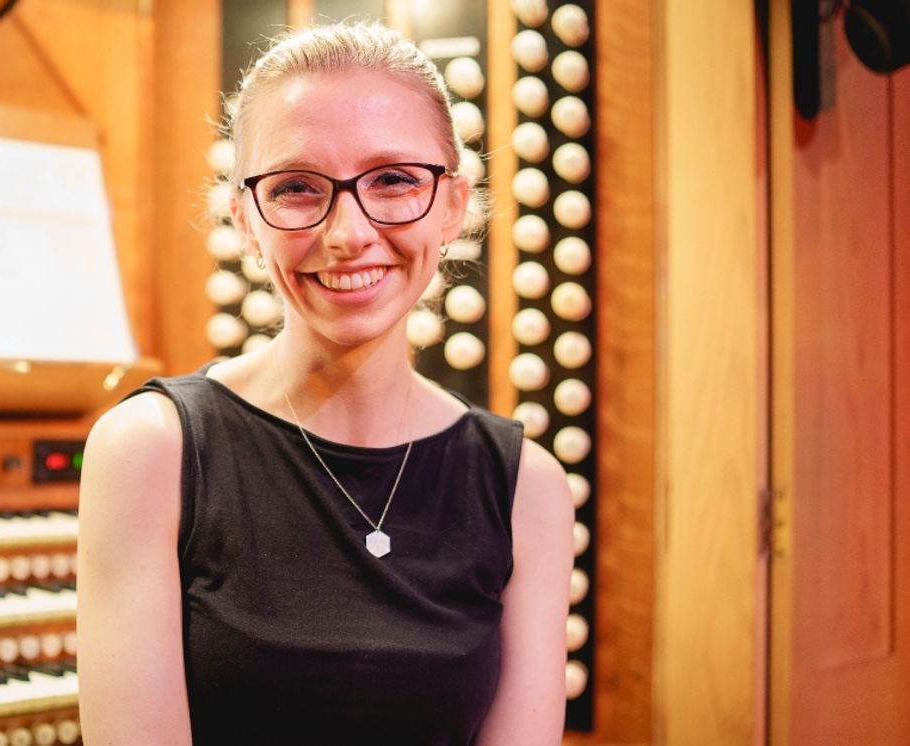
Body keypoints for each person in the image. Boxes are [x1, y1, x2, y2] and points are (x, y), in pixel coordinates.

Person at [77, 21, 574, 745]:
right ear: (246, 219)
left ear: (453, 205)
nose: (348, 233)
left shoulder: (527, 487)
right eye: (297, 189)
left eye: (394, 180)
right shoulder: (150, 452)